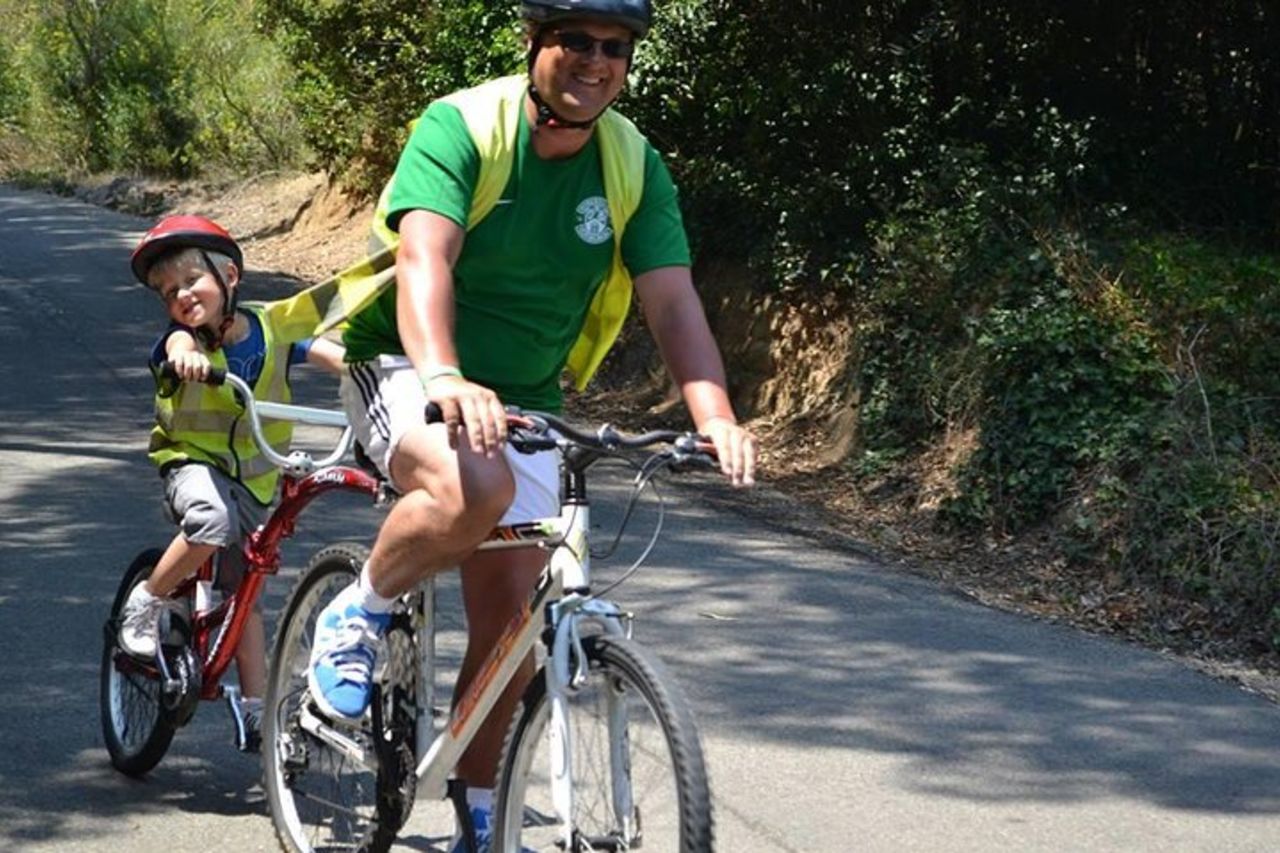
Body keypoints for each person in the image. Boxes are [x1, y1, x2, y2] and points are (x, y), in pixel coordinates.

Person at [308, 0, 757, 847]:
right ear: (535, 44)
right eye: (576, 41)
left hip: (525, 395)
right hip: (406, 363)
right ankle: (357, 612)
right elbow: (423, 257)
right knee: (472, 484)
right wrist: (444, 374)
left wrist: (716, 416)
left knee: (512, 624)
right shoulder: (464, 127)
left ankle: (483, 810)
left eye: (614, 48)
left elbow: (670, 298)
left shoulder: (632, 163)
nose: (596, 62)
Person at [118, 214, 345, 752]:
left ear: (229, 279)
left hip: (256, 482)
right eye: (168, 292)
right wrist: (189, 358)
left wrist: (373, 371)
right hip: (191, 464)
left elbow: (330, 353)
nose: (181, 297)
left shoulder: (272, 330)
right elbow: (176, 350)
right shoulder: (180, 340)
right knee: (211, 521)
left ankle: (256, 709)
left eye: (191, 281)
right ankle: (146, 601)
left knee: (248, 596)